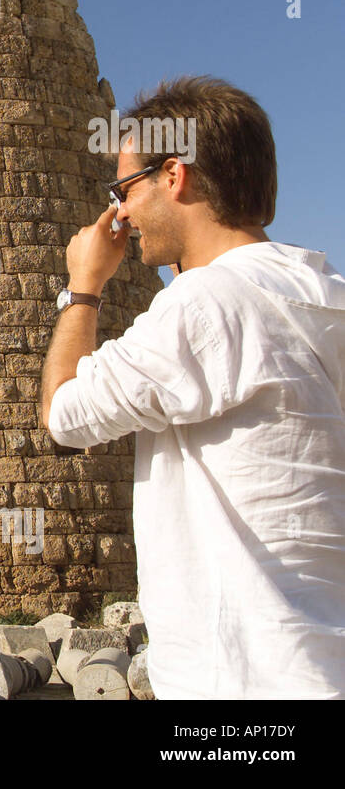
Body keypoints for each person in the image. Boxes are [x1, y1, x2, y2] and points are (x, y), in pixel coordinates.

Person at [41, 75, 345, 698]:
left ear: (173, 175)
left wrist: (84, 288)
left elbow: (63, 415)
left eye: (123, 188)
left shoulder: (207, 305)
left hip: (245, 684)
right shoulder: (325, 295)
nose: (118, 211)